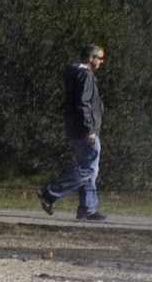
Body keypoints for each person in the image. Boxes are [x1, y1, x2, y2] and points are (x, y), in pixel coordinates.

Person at [41, 43, 105, 221]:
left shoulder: (74, 73)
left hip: (75, 128)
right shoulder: (86, 75)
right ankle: (50, 192)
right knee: (89, 168)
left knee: (91, 167)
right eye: (99, 58)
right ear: (91, 58)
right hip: (84, 130)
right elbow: (83, 104)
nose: (102, 61)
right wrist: (90, 129)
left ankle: (88, 208)